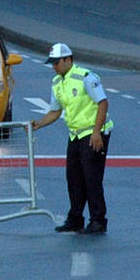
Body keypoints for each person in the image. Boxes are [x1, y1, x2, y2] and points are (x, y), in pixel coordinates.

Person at [31, 43, 114, 234]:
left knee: (92, 178)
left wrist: (96, 132)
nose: (54, 66)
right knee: (74, 178)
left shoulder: (85, 77)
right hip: (75, 134)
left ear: (68, 59)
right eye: (51, 63)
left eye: (56, 62)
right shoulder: (57, 82)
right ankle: (75, 218)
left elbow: (102, 103)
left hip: (93, 133)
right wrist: (39, 124)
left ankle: (98, 220)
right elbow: (55, 111)